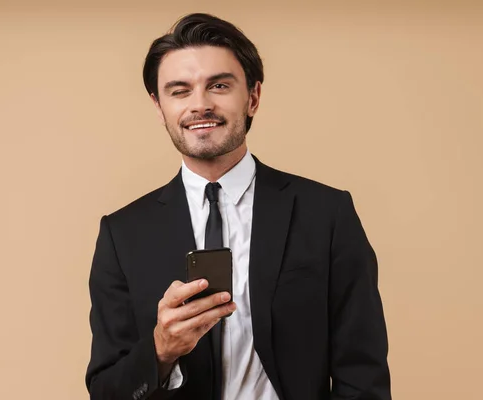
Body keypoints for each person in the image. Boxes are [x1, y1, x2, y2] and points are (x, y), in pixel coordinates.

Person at [85, 12, 391, 400]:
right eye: (179, 90)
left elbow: (362, 375)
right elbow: (106, 391)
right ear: (159, 107)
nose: (200, 104)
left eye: (219, 86)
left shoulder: (327, 214)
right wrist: (161, 350)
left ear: (253, 97)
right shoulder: (122, 234)